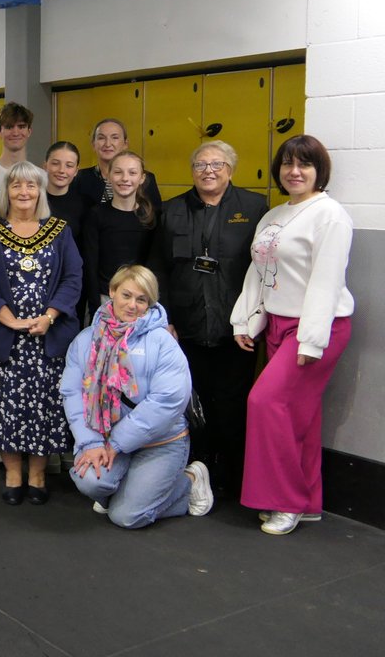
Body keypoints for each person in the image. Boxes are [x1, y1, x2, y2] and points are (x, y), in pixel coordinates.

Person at [230, 135, 353, 536]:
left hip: (316, 326)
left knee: (265, 402)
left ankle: (285, 501)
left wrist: (312, 339)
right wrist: (246, 320)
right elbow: (259, 272)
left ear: (320, 171)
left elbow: (326, 281)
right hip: (278, 324)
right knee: (301, 416)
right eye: (287, 163)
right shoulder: (275, 214)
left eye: (304, 164)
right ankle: (309, 501)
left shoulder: (329, 215)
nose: (294, 171)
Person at [150, 140, 266, 494]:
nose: (208, 171)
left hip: (235, 329)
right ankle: (194, 473)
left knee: (232, 404)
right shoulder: (172, 210)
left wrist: (254, 320)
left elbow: (263, 270)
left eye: (217, 164)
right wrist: (165, 318)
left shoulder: (254, 207)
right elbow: (159, 269)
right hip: (185, 328)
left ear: (231, 169)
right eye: (200, 165)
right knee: (192, 402)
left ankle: (230, 480)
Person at [61, 266, 214, 528]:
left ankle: (189, 481)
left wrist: (117, 443)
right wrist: (91, 443)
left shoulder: (163, 342)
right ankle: (127, 492)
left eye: (141, 299)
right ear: (112, 292)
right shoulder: (86, 340)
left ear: (149, 303)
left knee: (127, 516)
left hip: (161, 442)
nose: (132, 305)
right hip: (106, 438)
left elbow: (166, 401)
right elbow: (73, 393)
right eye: (126, 295)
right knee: (90, 481)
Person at [0, 162, 82, 504]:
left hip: (47, 337)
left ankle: (37, 474)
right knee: (6, 406)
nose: (24, 192)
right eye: (17, 185)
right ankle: (12, 473)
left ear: (40, 191)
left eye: (31, 186)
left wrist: (49, 316)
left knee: (43, 406)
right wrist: (8, 319)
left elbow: (73, 278)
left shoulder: (59, 230)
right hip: (4, 337)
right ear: (7, 191)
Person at [81, 151, 156, 311]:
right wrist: (95, 305)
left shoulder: (151, 216)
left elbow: (155, 264)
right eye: (118, 172)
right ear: (108, 176)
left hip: (141, 298)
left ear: (142, 178)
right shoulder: (96, 215)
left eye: (132, 173)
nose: (125, 178)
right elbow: (90, 264)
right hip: (106, 298)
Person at [71, 118, 162, 211]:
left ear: (125, 144)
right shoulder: (79, 177)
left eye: (115, 137)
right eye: (101, 138)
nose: (107, 144)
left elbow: (155, 215)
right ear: (93, 144)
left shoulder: (146, 179)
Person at [0, 102, 35, 188]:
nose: (15, 133)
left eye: (21, 127)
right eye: (9, 127)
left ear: (29, 131)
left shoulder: (41, 177)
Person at [44, 141, 86, 239]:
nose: (62, 170)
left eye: (69, 165)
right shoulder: (31, 200)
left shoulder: (85, 205)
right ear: (45, 166)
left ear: (76, 171)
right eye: (55, 163)